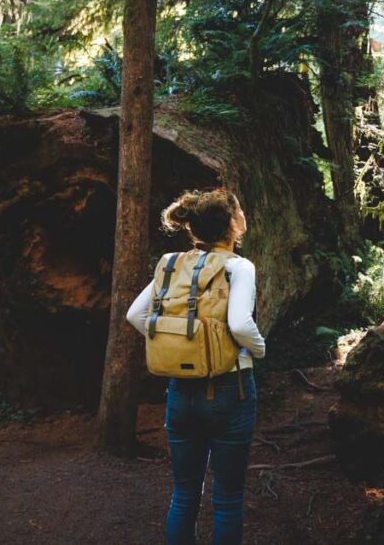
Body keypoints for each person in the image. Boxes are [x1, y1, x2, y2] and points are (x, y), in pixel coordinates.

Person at [125, 187, 266, 545]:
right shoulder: (239, 266)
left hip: (179, 393)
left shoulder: (172, 265)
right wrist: (260, 349)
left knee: (184, 496)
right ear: (233, 224)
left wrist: (178, 347)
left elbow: (135, 315)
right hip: (229, 391)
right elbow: (239, 325)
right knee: (227, 499)